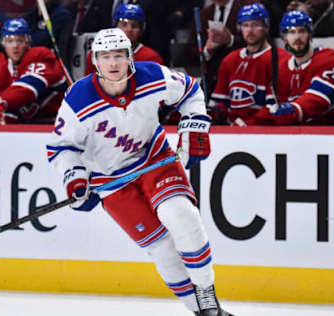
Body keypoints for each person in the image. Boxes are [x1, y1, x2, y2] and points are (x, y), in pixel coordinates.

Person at [46, 28, 233, 316]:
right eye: (106, 56)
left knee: (181, 215)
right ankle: (204, 312)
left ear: (129, 57)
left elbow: (191, 91)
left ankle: (208, 297)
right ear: (95, 61)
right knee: (161, 249)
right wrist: (75, 178)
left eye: (119, 55)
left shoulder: (152, 76)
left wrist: (194, 124)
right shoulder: (78, 99)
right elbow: (62, 147)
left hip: (153, 158)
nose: (113, 63)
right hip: (111, 180)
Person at [244, 10, 334, 125]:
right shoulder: (281, 68)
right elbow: (273, 107)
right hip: (304, 133)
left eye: (302, 31)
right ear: (284, 38)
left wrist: (293, 109)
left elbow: (319, 98)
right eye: (291, 32)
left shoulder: (330, 58)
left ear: (310, 34)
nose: (297, 37)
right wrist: (247, 125)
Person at [208, 3, 289, 124]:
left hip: (264, 131)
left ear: (266, 27)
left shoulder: (280, 59)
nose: (250, 30)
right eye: (245, 25)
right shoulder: (230, 59)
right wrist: (211, 112)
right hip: (232, 129)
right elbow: (221, 101)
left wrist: (248, 124)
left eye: (255, 25)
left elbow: (276, 106)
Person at [0, 18, 67, 124]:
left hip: (58, 124)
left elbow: (29, 86)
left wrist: (1, 102)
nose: (15, 46)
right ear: (3, 44)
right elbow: (6, 112)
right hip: (29, 127)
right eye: (10, 41)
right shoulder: (3, 70)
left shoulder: (41, 56)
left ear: (28, 42)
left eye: (19, 40)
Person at [186, 0, 255, 97]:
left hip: (243, 79)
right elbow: (190, 52)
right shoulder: (202, 14)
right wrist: (207, 50)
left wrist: (230, 40)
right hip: (211, 82)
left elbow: (258, 43)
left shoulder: (247, 10)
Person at [84, 3, 163, 75]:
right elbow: (87, 86)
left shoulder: (152, 58)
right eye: (124, 24)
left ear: (141, 31)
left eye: (134, 26)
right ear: (115, 27)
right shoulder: (97, 55)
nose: (129, 29)